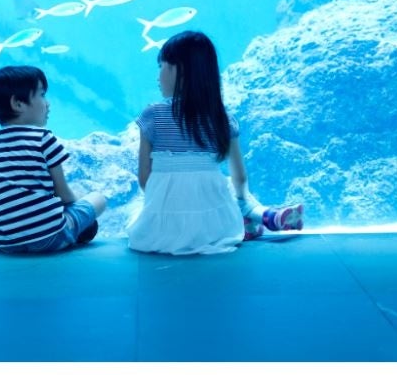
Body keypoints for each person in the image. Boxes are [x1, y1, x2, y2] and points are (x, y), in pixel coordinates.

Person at [127, 31, 302, 255]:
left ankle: (251, 221)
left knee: (136, 211)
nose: (157, 76)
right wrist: (240, 199)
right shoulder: (222, 118)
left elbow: (144, 179)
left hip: (160, 233)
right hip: (215, 229)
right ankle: (261, 216)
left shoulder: (152, 115)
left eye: (161, 66)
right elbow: (240, 178)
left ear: (178, 69)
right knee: (228, 191)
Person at [0, 65, 108, 254]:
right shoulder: (43, 138)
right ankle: (72, 232)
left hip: (5, 242)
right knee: (98, 199)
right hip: (48, 238)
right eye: (42, 95)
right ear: (18, 103)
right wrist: (79, 206)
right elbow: (63, 195)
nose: (48, 104)